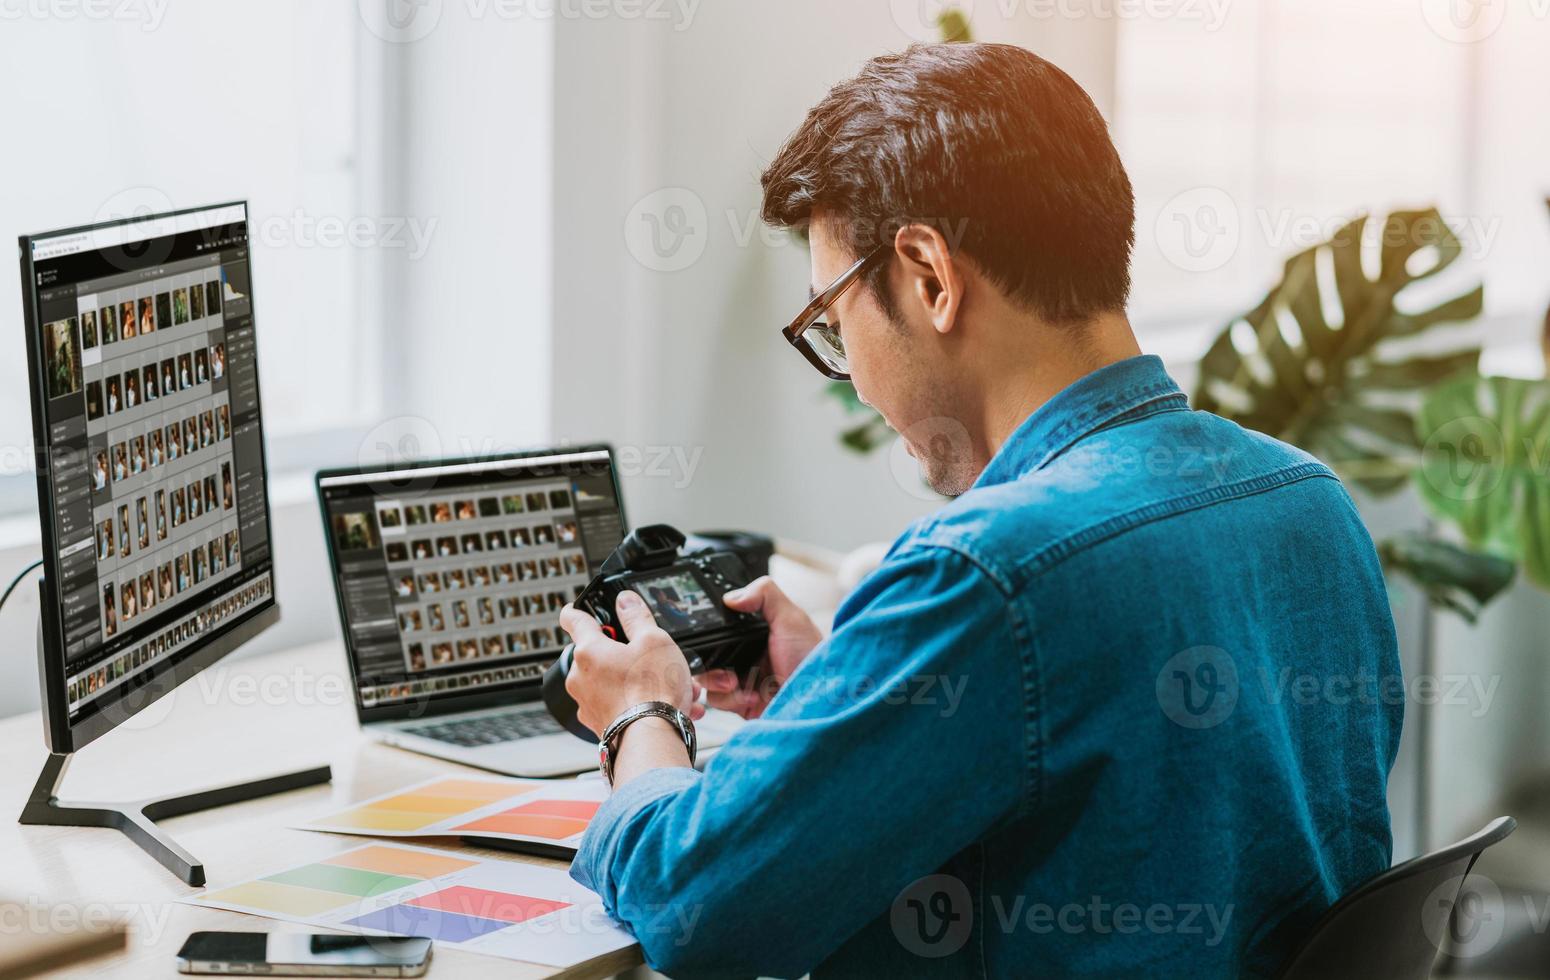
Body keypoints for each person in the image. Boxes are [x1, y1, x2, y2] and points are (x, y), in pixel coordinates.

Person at [559, 44, 1401, 977]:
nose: (862, 386)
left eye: (835, 329)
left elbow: (692, 903)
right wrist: (852, 688)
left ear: (929, 274)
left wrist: (640, 717)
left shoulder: (989, 572)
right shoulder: (1309, 503)